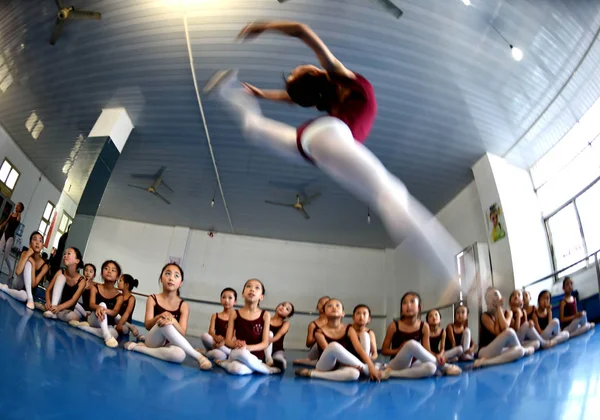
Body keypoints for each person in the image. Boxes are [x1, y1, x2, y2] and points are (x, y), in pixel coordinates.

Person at [204, 20, 461, 282]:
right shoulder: (343, 79)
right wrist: (267, 26)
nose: (302, 65)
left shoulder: (326, 93)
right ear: (317, 73)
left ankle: (228, 91)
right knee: (390, 193)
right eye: (301, 68)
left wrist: (262, 95)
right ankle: (454, 272)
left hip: (309, 142)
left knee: (255, 127)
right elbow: (302, 31)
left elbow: (291, 97)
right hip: (331, 135)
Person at [124, 263, 212, 370]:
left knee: (179, 355)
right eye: (168, 274)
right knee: (165, 322)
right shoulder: (152, 298)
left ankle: (139, 348)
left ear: (181, 283)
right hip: (153, 340)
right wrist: (159, 317)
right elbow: (147, 325)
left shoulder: (183, 305)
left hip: (170, 343)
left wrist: (174, 321)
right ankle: (199, 357)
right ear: (161, 278)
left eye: (176, 276)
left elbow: (182, 332)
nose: (171, 278)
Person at [0, 231, 48, 310]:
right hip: (19, 284)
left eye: (40, 241)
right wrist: (28, 255)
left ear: (42, 246)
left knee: (23, 296)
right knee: (28, 263)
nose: (37, 243)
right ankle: (30, 299)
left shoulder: (44, 266)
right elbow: (18, 272)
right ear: (30, 244)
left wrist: (34, 265)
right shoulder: (25, 253)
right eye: (34, 239)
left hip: (28, 292)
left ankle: (4, 288)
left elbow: (33, 284)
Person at [42, 247, 85, 322]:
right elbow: (48, 290)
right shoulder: (60, 272)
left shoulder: (81, 280)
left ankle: (52, 312)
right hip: (54, 304)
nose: (65, 255)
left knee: (73, 317)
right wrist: (48, 302)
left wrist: (59, 308)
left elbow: (73, 301)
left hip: (65, 310)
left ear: (77, 261)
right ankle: (51, 310)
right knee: (61, 277)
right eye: (64, 254)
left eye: (69, 253)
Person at [200, 287, 237, 360]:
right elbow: (210, 331)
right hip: (215, 343)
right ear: (220, 300)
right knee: (204, 336)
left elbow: (235, 336)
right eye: (224, 297)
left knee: (219, 356)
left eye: (230, 298)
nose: (226, 300)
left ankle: (205, 353)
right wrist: (216, 337)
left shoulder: (236, 317)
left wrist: (225, 342)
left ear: (235, 301)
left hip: (227, 346)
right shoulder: (215, 315)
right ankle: (211, 351)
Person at [0, 202, 24, 275]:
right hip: (5, 234)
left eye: (19, 206)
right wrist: (1, 225)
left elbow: (18, 220)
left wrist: (19, 213)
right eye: (17, 205)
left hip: (10, 237)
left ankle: (10, 271)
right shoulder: (11, 214)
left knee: (6, 257)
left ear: (21, 209)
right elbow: (6, 222)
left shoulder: (18, 217)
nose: (17, 206)